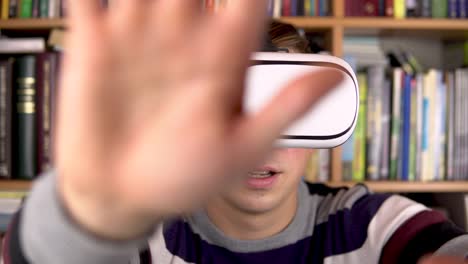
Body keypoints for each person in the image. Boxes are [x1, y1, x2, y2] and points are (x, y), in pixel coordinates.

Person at [3, 1, 467, 263]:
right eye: (233, 110)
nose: (261, 142)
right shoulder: (146, 238)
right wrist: (87, 216)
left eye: (283, 115)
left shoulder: (371, 227)